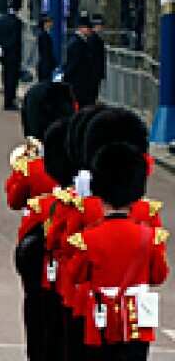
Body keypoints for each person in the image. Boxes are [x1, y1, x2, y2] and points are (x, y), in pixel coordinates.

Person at [65, 143, 169, 360]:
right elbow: (159, 276)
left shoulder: (88, 238)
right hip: (136, 320)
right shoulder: (150, 236)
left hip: (101, 319)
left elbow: (75, 275)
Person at [62, 15, 107, 106]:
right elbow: (73, 64)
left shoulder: (78, 42)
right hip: (80, 83)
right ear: (82, 28)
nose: (91, 30)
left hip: (81, 82)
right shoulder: (78, 43)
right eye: (88, 28)